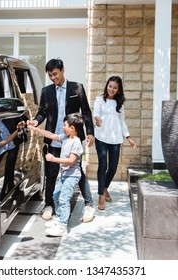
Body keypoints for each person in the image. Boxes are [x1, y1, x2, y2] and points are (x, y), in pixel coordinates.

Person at [27, 58, 96, 223]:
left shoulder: (76, 88)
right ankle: (49, 204)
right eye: (50, 75)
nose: (53, 78)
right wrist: (35, 122)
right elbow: (42, 112)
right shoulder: (46, 91)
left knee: (77, 172)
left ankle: (89, 204)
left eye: (55, 74)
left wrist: (90, 132)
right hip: (54, 139)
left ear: (63, 70)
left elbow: (85, 111)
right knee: (51, 173)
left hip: (72, 139)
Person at [29, 113, 84, 236]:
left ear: (72, 128)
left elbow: (71, 161)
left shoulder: (76, 142)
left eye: (65, 125)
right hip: (64, 175)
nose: (63, 127)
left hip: (72, 176)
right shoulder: (65, 138)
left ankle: (62, 226)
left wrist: (54, 159)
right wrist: (36, 129)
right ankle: (59, 219)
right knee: (56, 195)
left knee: (64, 200)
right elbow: (51, 135)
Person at [93, 76, 137, 210]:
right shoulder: (100, 100)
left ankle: (105, 187)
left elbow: (122, 122)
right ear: (107, 86)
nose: (111, 89)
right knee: (103, 164)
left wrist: (128, 137)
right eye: (110, 86)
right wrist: (97, 118)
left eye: (115, 87)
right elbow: (96, 112)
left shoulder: (120, 104)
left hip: (115, 138)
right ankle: (101, 195)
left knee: (112, 167)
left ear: (118, 90)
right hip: (101, 137)